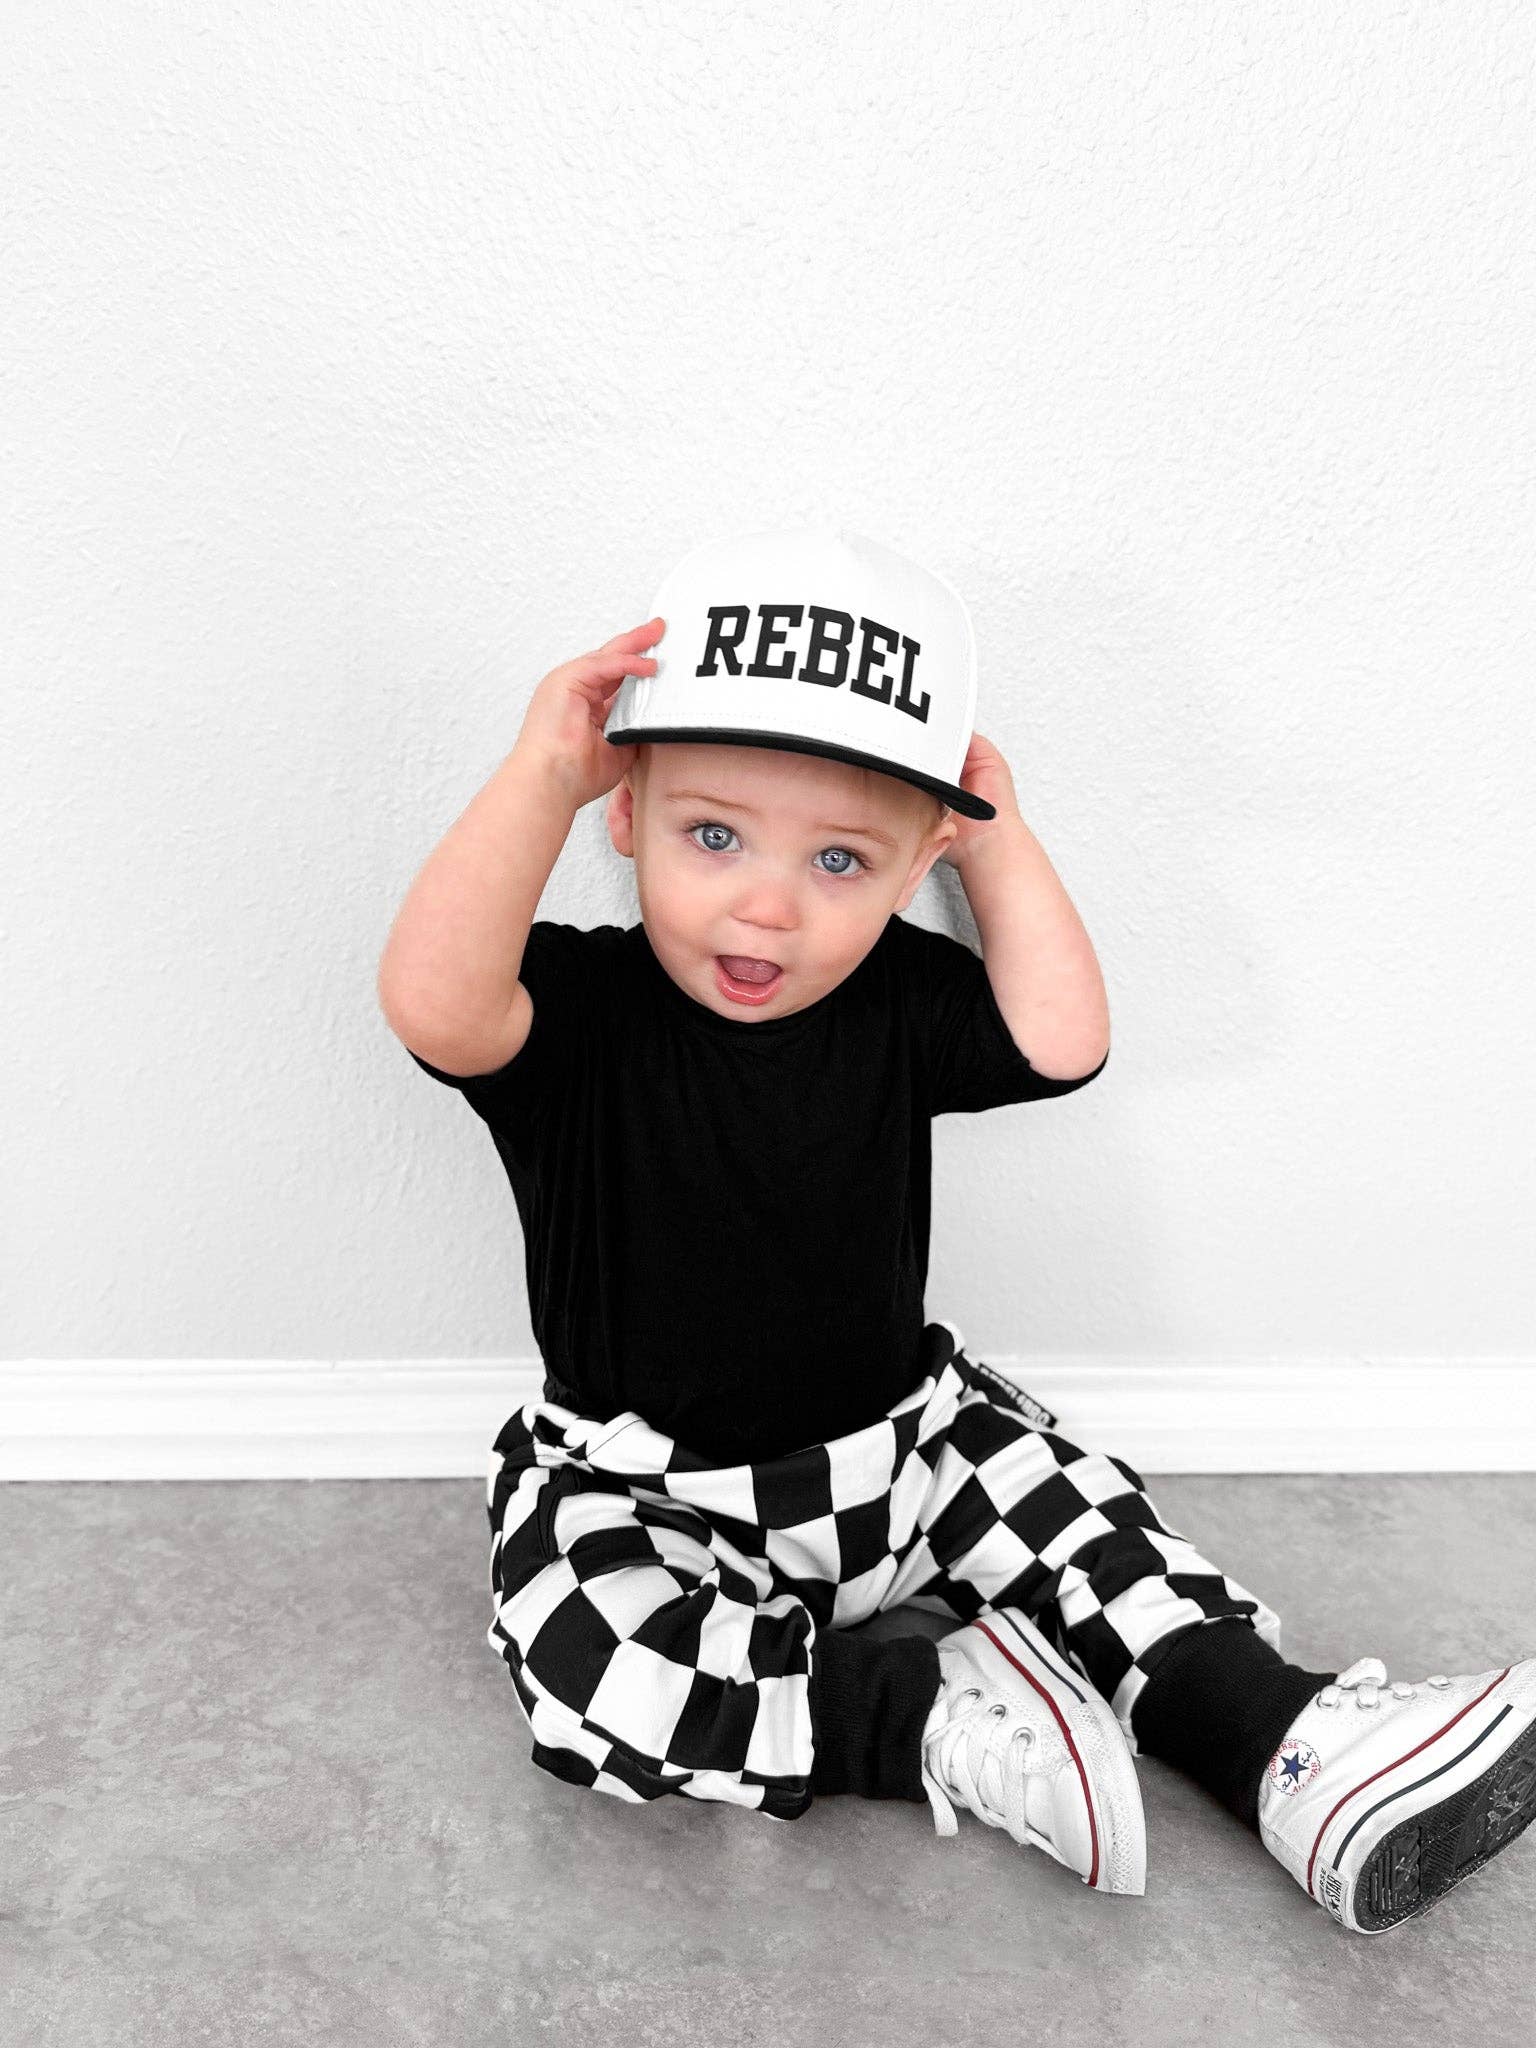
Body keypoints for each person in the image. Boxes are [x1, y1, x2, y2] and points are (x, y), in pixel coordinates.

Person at [377, 526, 1536, 1935]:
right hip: (648, 1482)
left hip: (906, 1451)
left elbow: (1060, 1040)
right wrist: (537, 777)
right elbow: (435, 1000)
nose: (768, 904)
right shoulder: (577, 1012)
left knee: (1082, 1521)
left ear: (918, 857)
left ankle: (1280, 1744)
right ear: (625, 813)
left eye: (843, 860)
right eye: (713, 836)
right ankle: (931, 1713)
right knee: (584, 1657)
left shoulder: (900, 999)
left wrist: (999, 843)